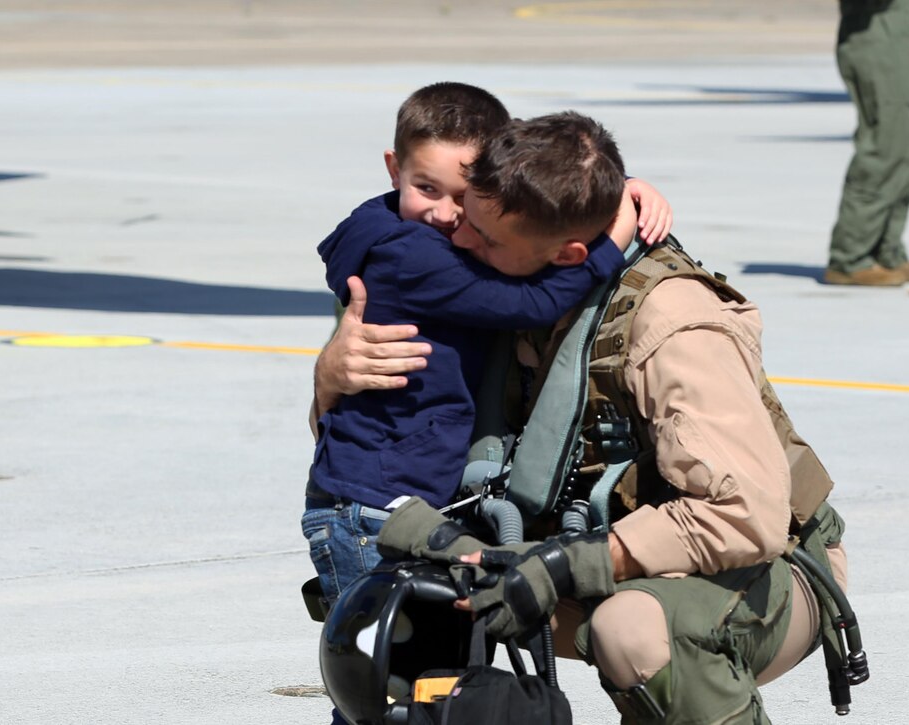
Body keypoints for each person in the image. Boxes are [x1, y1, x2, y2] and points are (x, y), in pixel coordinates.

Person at [316, 112, 852, 723]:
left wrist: (569, 564)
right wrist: (332, 377)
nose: (459, 240)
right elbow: (373, 443)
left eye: (486, 238)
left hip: (758, 570)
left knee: (634, 630)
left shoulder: (672, 324)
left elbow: (746, 518)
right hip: (567, 546)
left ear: (570, 254)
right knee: (407, 601)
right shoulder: (495, 272)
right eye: (466, 215)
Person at [304, 83, 673, 607]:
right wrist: (614, 231)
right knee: (385, 674)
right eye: (427, 189)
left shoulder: (383, 223)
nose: (447, 215)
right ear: (394, 169)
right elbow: (536, 302)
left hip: (395, 497)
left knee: (432, 672)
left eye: (463, 197)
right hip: (377, 507)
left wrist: (606, 186)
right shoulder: (413, 256)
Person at [824, 0, 909, 286]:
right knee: (883, 146)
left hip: (893, 40)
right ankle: (849, 258)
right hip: (872, 41)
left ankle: (887, 250)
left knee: (905, 145)